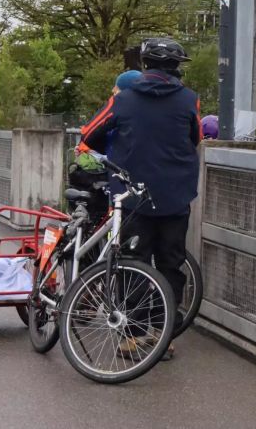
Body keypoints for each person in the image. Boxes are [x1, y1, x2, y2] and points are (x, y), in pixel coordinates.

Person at [81, 37, 201, 359]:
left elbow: (89, 134)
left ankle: (130, 336)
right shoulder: (190, 100)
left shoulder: (124, 100)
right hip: (175, 197)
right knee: (171, 265)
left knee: (132, 263)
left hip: (132, 197)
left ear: (145, 65)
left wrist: (121, 146)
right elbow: (196, 138)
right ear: (176, 68)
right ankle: (163, 337)